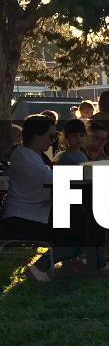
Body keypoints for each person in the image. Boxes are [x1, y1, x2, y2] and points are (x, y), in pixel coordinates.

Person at [0, 115, 57, 282]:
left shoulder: (30, 155)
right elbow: (51, 180)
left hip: (30, 215)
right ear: (36, 136)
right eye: (50, 136)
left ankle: (92, 261)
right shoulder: (26, 158)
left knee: (77, 222)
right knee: (73, 230)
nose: (53, 141)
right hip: (23, 219)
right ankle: (40, 267)